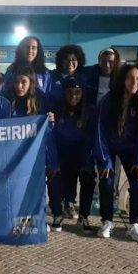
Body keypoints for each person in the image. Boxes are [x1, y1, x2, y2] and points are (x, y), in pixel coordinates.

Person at [95, 64, 138, 242]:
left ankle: (134, 224)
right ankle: (107, 221)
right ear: (123, 80)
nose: (135, 82)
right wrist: (105, 160)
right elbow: (99, 130)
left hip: (132, 150)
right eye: (131, 78)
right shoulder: (109, 100)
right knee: (107, 180)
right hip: (110, 147)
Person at [7, 67, 60, 232]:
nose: (19, 86)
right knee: (17, 189)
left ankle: (37, 220)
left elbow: (48, 134)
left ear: (31, 84)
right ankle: (14, 220)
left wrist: (50, 122)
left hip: (34, 154)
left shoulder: (41, 101)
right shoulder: (8, 101)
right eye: (16, 82)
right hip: (13, 155)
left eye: (23, 82)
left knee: (35, 188)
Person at [55, 76, 96, 231]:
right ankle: (65, 206)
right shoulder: (58, 109)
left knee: (88, 177)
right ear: (65, 93)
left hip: (83, 154)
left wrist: (87, 160)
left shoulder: (89, 110)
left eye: (77, 92)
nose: (73, 96)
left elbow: (92, 137)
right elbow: (55, 135)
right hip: (64, 153)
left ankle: (83, 216)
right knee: (62, 174)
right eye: (70, 92)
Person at [47, 44, 86, 113]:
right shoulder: (51, 76)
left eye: (73, 59)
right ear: (61, 61)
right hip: (53, 115)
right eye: (66, 59)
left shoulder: (82, 79)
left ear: (79, 61)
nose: (70, 63)